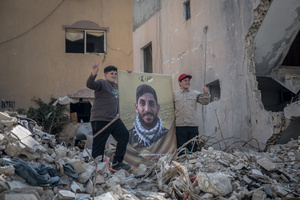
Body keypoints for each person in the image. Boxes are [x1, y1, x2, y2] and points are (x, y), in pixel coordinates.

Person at [86, 62, 131, 171]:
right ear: (105, 75)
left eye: (116, 74)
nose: (114, 75)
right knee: (99, 145)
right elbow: (90, 85)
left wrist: (129, 75)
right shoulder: (101, 83)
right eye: (111, 73)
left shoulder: (116, 86)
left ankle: (117, 162)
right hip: (100, 119)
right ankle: (96, 167)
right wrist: (93, 74)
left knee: (124, 135)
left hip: (114, 120)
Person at [173, 73, 210, 154]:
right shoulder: (174, 95)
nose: (187, 82)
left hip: (192, 126)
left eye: (188, 81)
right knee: (181, 150)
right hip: (180, 126)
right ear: (179, 82)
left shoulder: (195, 93)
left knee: (193, 149)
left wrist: (206, 93)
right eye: (185, 80)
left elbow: (205, 102)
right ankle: (183, 166)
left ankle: (193, 164)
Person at [128, 84, 169, 149]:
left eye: (151, 104)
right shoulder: (128, 136)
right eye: (142, 103)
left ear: (158, 108)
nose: (147, 109)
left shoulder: (168, 136)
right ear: (136, 107)